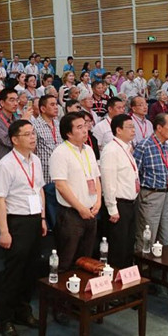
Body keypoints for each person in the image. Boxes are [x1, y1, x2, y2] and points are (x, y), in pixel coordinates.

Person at [0, 118, 45, 336]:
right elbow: (0, 200)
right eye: (27, 134)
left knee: (31, 270)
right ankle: (4, 319)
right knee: (14, 273)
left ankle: (23, 311)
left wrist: (43, 217)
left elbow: (39, 189)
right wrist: (4, 231)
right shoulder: (5, 165)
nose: (33, 138)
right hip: (16, 222)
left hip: (34, 219)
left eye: (33, 133)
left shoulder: (36, 160)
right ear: (14, 140)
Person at [51, 112, 101, 271]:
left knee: (86, 259)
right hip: (71, 213)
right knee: (67, 259)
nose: (85, 130)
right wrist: (80, 208)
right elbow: (61, 185)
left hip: (91, 211)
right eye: (79, 127)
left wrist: (98, 201)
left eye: (85, 125)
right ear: (68, 133)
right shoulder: (60, 152)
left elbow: (96, 178)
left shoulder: (88, 150)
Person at [99, 114, 140, 269]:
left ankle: (126, 278)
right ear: (118, 130)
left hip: (130, 203)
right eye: (129, 127)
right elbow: (108, 181)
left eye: (133, 126)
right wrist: (112, 208)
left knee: (128, 245)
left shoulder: (126, 148)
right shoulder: (111, 149)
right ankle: (116, 278)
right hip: (118, 204)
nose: (133, 130)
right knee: (118, 247)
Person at [133, 113, 168, 250]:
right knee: (147, 235)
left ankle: (162, 262)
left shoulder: (166, 146)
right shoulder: (144, 145)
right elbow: (135, 173)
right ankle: (143, 262)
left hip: (166, 194)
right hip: (151, 195)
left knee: (165, 235)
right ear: (159, 127)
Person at [0, 88, 29, 165]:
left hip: (19, 161)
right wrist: (22, 123)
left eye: (17, 100)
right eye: (12, 100)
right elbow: (8, 141)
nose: (16, 103)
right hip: (2, 164)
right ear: (2, 103)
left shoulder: (17, 119)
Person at [31, 95, 60, 184]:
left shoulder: (58, 124)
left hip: (60, 173)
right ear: (43, 109)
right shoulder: (34, 126)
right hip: (44, 175)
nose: (56, 107)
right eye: (52, 105)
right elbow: (31, 151)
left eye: (56, 104)